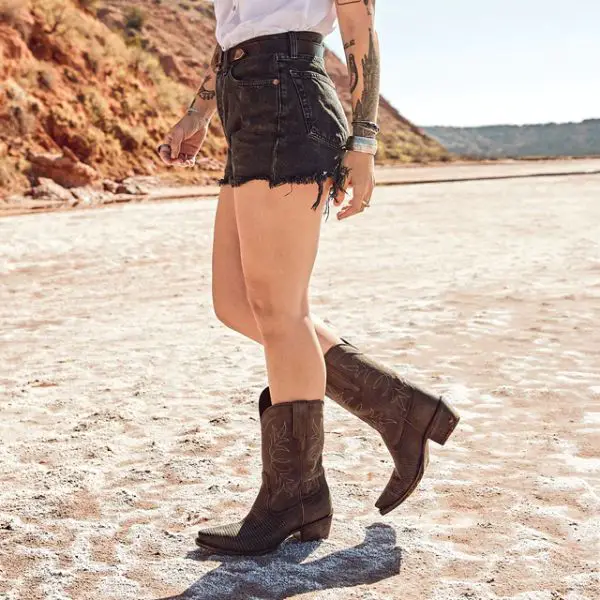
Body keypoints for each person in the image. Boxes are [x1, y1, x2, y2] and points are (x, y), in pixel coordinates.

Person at [158, 0, 460, 556]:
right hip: (243, 102)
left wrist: (364, 141)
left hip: (289, 100)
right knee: (236, 303)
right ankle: (398, 406)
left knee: (279, 309)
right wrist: (200, 112)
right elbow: (232, 29)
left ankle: (295, 495)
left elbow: (359, 30)